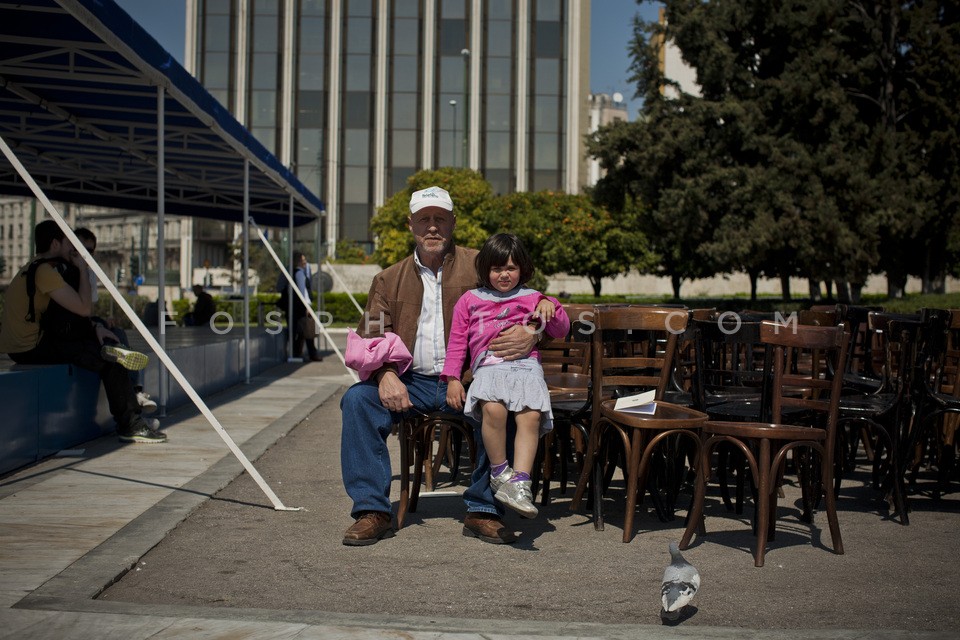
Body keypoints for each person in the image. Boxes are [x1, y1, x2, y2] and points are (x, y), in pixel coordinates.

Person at [340, 185, 539, 546]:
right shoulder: (387, 279)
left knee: (506, 400)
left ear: (453, 223)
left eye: (440, 219)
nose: (432, 227)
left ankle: (484, 509)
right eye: (424, 219)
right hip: (409, 380)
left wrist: (533, 332)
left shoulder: (481, 266)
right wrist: (385, 374)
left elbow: (530, 302)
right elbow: (370, 336)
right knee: (357, 400)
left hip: (470, 378)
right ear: (410, 224)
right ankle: (372, 511)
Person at [0, 220, 165, 443]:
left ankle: (113, 351)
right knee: (112, 361)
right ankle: (130, 425)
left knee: (107, 341)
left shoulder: (32, 267)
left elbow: (67, 315)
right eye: (70, 242)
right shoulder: (46, 272)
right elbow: (83, 307)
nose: (74, 248)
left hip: (24, 344)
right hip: (30, 348)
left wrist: (93, 326)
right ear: (55, 244)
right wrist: (82, 269)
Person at [442, 233, 570, 519]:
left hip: (526, 367)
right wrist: (452, 378)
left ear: (522, 269)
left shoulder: (534, 298)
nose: (504, 274)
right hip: (489, 367)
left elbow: (560, 329)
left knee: (531, 416)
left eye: (511, 268)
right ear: (485, 269)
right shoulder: (469, 300)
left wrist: (551, 304)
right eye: (497, 268)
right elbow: (457, 342)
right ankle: (500, 473)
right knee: (494, 411)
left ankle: (521, 482)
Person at [74, 227, 157, 414]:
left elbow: (88, 310)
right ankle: (134, 399)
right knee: (113, 353)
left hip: (85, 323)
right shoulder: (65, 271)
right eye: (80, 248)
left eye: (90, 251)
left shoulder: (88, 273)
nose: (84, 255)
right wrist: (96, 325)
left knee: (117, 334)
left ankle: (135, 393)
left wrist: (99, 323)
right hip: (71, 329)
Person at [280, 252, 322, 362]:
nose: (305, 262)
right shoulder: (299, 273)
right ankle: (309, 353)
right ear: (298, 261)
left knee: (301, 331)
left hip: (296, 307)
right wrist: (307, 306)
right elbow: (302, 292)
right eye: (303, 260)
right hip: (301, 307)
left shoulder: (293, 273)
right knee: (307, 330)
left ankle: (300, 352)